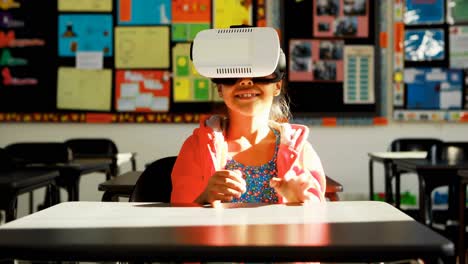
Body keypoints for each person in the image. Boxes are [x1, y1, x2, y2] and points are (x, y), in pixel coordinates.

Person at [171, 27, 326, 205]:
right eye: (232, 73)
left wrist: (300, 200)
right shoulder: (197, 148)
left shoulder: (300, 151)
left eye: (259, 72)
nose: (246, 80)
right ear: (220, 88)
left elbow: (318, 216)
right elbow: (179, 214)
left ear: (277, 86)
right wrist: (205, 197)